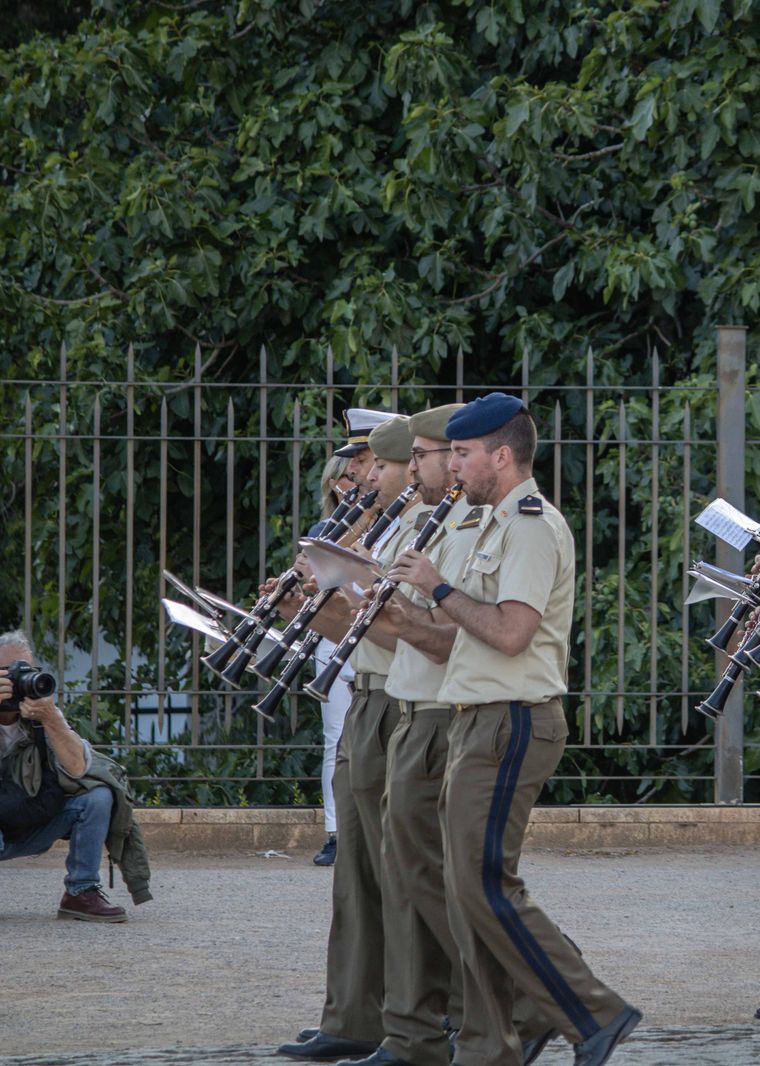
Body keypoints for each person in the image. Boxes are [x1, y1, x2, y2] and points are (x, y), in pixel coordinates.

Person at [386, 393, 641, 1066]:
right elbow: (464, 630)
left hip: (512, 721)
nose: (454, 465)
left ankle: (595, 1014)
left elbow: (511, 632)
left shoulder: (528, 524)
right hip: (481, 719)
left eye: (464, 453)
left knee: (484, 885)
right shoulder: (493, 522)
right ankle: (498, 1041)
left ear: (502, 455)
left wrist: (439, 589)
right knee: (471, 892)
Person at [278, 413, 423, 1062]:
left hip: (401, 699)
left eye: (374, 465)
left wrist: (334, 599)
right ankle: (352, 1017)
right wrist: (302, 604)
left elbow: (400, 623)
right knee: (357, 883)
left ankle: (421, 1025)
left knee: (411, 878)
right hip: (368, 692)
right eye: (362, 466)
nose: (359, 477)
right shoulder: (386, 521)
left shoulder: (422, 525)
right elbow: (361, 621)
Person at [0, 631, 150, 922]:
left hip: (30, 819)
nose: (18, 680)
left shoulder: (41, 714)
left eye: (25, 671)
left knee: (97, 796)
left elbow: (80, 769)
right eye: (7, 673)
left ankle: (81, 893)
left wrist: (51, 719)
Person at [309, 452, 363, 867]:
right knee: (337, 738)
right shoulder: (323, 532)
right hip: (335, 637)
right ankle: (336, 832)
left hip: (379, 632)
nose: (354, 482)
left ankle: (370, 829)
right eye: (345, 478)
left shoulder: (388, 523)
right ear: (333, 486)